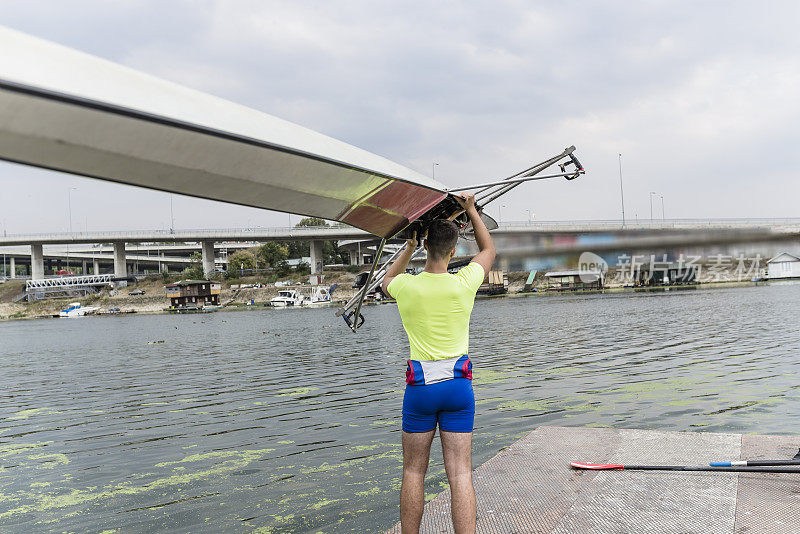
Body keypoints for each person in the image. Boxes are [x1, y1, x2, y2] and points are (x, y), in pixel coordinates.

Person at [382, 192, 496, 534]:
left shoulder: (406, 286)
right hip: (458, 388)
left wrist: (407, 248)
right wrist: (472, 209)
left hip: (420, 390)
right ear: (453, 252)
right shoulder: (464, 283)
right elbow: (488, 250)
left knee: (413, 472)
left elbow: (386, 280)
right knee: (460, 473)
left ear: (425, 246)